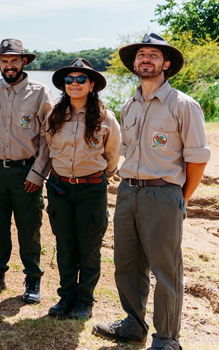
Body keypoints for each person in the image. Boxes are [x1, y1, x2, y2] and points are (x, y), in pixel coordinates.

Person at [93, 34, 210, 350]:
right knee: (127, 264)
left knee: (165, 268)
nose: (146, 59)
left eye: (153, 54)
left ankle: (167, 338)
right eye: (141, 54)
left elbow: (197, 160)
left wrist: (179, 198)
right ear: (134, 63)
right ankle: (134, 325)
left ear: (166, 64)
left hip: (163, 194)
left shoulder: (184, 105)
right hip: (129, 193)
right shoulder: (128, 105)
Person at [0, 38, 53, 303]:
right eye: (5, 61)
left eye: (14, 60)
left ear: (24, 62)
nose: (10, 66)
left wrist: (38, 173)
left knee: (29, 229)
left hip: (26, 172)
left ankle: (33, 279)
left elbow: (48, 137)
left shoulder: (40, 92)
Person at [41, 58, 120, 319]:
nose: (74, 84)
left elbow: (112, 155)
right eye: (69, 80)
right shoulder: (54, 115)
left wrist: (99, 177)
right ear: (64, 86)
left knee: (89, 246)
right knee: (65, 244)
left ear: (92, 84)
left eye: (81, 79)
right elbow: (49, 150)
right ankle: (66, 297)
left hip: (91, 189)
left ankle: (85, 300)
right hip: (60, 188)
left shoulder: (105, 117)